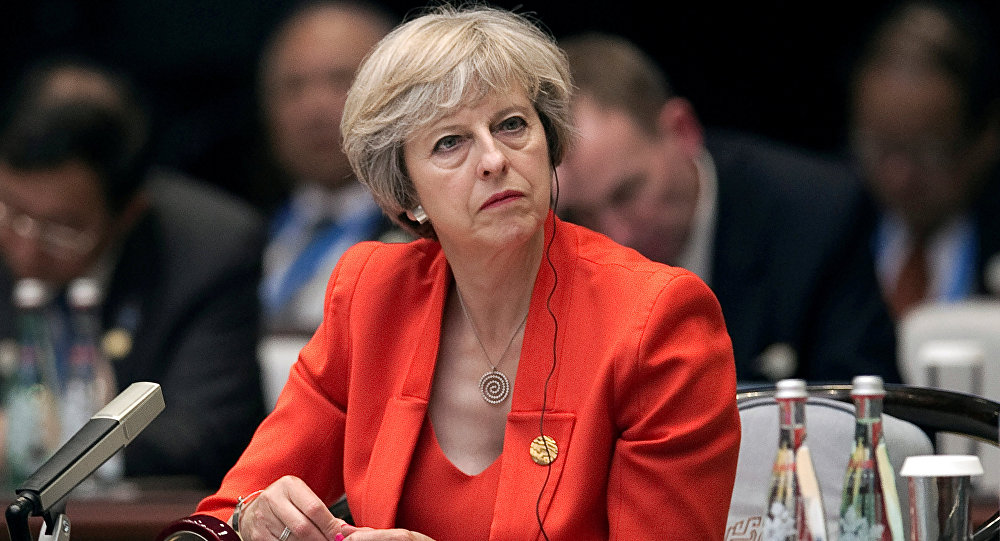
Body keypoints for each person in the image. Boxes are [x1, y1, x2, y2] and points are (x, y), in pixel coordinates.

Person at [195, 6, 740, 540]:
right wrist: (247, 522)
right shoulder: (370, 295)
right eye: (449, 142)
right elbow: (213, 521)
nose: (493, 159)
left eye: (511, 125)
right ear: (404, 196)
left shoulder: (657, 319)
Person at [555, 32, 901, 385]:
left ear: (681, 130)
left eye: (627, 193)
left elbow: (867, 412)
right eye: (583, 214)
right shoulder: (553, 256)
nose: (617, 235)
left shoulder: (815, 217)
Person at [0, 57, 267, 488]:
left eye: (63, 229)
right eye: (11, 212)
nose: (26, 250)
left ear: (128, 213)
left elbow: (203, 434)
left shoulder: (208, 249)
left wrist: (45, 444)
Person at [255, 0, 410, 333]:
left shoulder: (433, 235)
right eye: (293, 87)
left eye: (341, 81)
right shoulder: (244, 235)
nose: (315, 109)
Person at [845, 0, 1000, 321]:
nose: (899, 176)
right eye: (879, 147)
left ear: (985, 139)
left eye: (928, 152)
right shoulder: (823, 235)